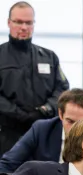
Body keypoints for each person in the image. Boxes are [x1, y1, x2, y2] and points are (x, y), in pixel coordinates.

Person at [0, 89, 83, 175]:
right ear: (60, 114)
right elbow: (7, 164)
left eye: (81, 123)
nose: (75, 129)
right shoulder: (42, 129)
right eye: (70, 121)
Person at [0, 2, 69, 156]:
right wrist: (17, 113)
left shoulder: (49, 57)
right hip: (7, 136)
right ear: (9, 23)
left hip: (44, 136)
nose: (24, 27)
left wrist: (45, 110)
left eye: (28, 23)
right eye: (18, 22)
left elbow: (62, 88)